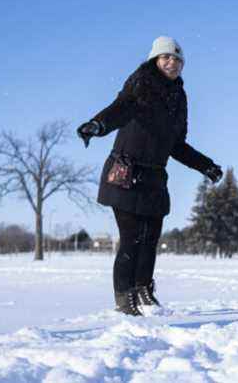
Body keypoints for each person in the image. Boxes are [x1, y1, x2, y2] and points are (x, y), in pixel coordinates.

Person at [77, 36, 223, 316]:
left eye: (178, 59)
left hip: (155, 178)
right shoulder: (141, 83)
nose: (173, 63)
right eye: (166, 57)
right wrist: (98, 124)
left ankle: (143, 290)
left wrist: (205, 165)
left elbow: (176, 144)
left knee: (150, 238)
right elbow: (121, 108)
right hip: (126, 172)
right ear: (154, 60)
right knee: (131, 237)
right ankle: (124, 297)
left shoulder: (179, 97)